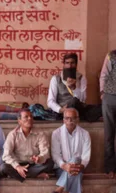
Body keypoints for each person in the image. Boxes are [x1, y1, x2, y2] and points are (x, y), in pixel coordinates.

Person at [46, 108, 91, 193]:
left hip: (78, 167)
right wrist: (64, 165)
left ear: (78, 119)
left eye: (73, 118)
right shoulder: (56, 133)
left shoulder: (85, 134)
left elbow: (86, 156)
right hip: (61, 168)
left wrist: (81, 165)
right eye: (67, 118)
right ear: (63, 120)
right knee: (76, 172)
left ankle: (59, 190)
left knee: (76, 161)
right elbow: (55, 155)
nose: (70, 120)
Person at [0, 108, 53, 182]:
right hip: (18, 164)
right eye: (26, 117)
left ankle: (23, 175)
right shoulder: (13, 134)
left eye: (31, 116)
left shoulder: (40, 134)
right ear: (19, 121)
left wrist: (39, 158)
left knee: (50, 163)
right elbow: (6, 155)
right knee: (3, 167)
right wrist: (17, 166)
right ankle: (35, 175)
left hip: (34, 165)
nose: (30, 118)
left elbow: (45, 153)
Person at [46, 53, 102, 122]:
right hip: (63, 111)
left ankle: (82, 116)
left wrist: (74, 88)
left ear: (76, 64)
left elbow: (83, 99)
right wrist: (60, 109)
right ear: (63, 64)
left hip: (78, 109)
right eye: (67, 63)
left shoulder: (81, 78)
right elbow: (50, 101)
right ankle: (85, 116)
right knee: (73, 101)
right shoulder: (56, 79)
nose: (69, 66)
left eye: (72, 63)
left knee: (103, 107)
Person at [100, 49, 116, 178]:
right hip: (110, 97)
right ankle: (110, 168)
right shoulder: (112, 55)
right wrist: (102, 92)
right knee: (109, 135)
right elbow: (104, 74)